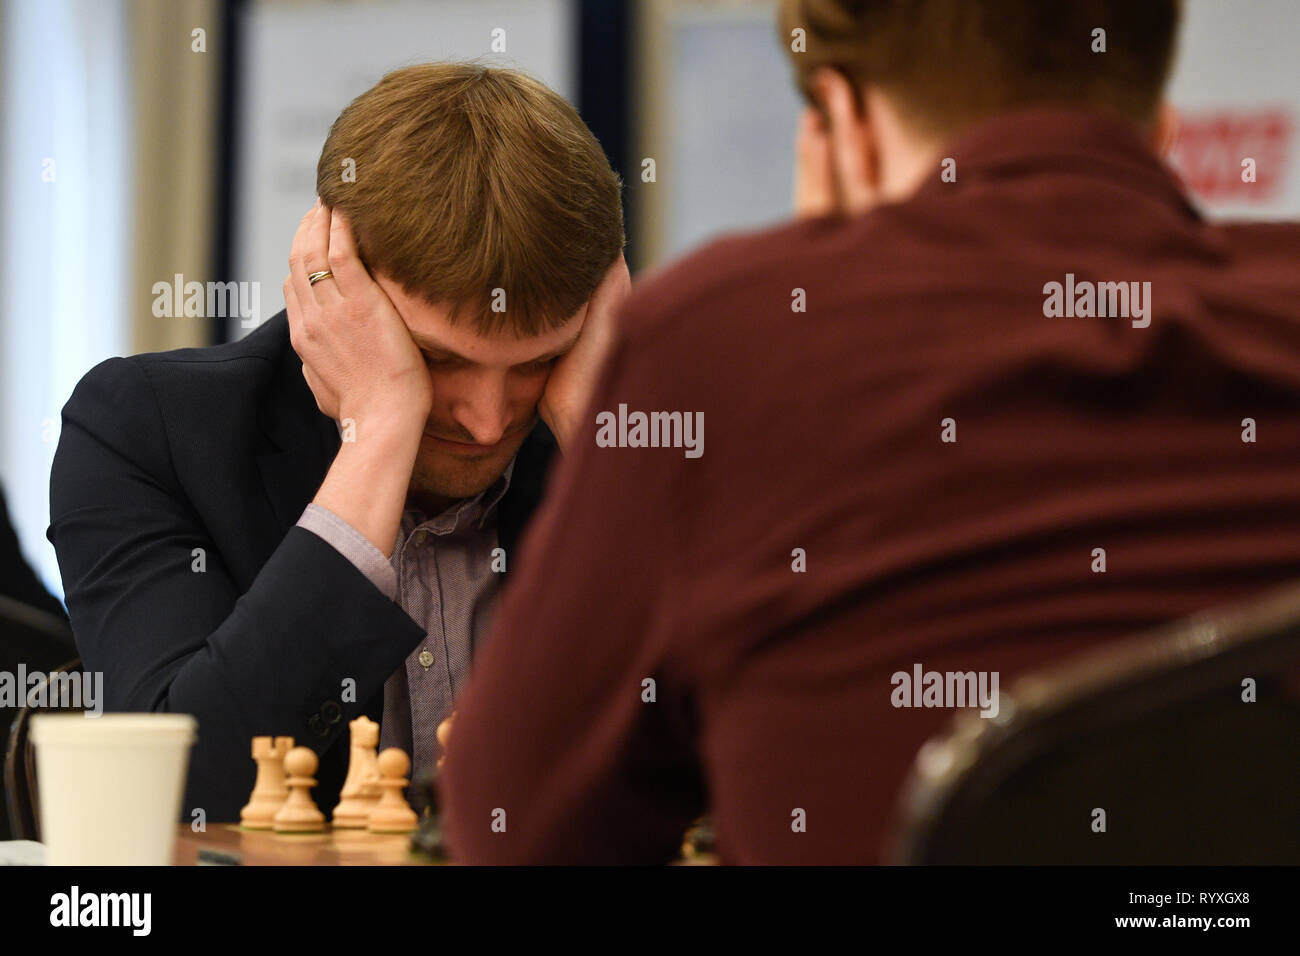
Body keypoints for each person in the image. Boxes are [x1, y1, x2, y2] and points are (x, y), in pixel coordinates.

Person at [439, 0, 1300, 863]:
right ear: (1159, 133)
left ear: (840, 123)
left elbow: (513, 828)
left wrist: (814, 270)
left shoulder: (730, 335)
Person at [48, 63, 628, 821]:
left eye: (536, 362)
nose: (488, 422)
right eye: (438, 358)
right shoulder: (142, 430)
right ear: (329, 284)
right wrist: (379, 428)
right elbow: (183, 800)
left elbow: (774, 766)